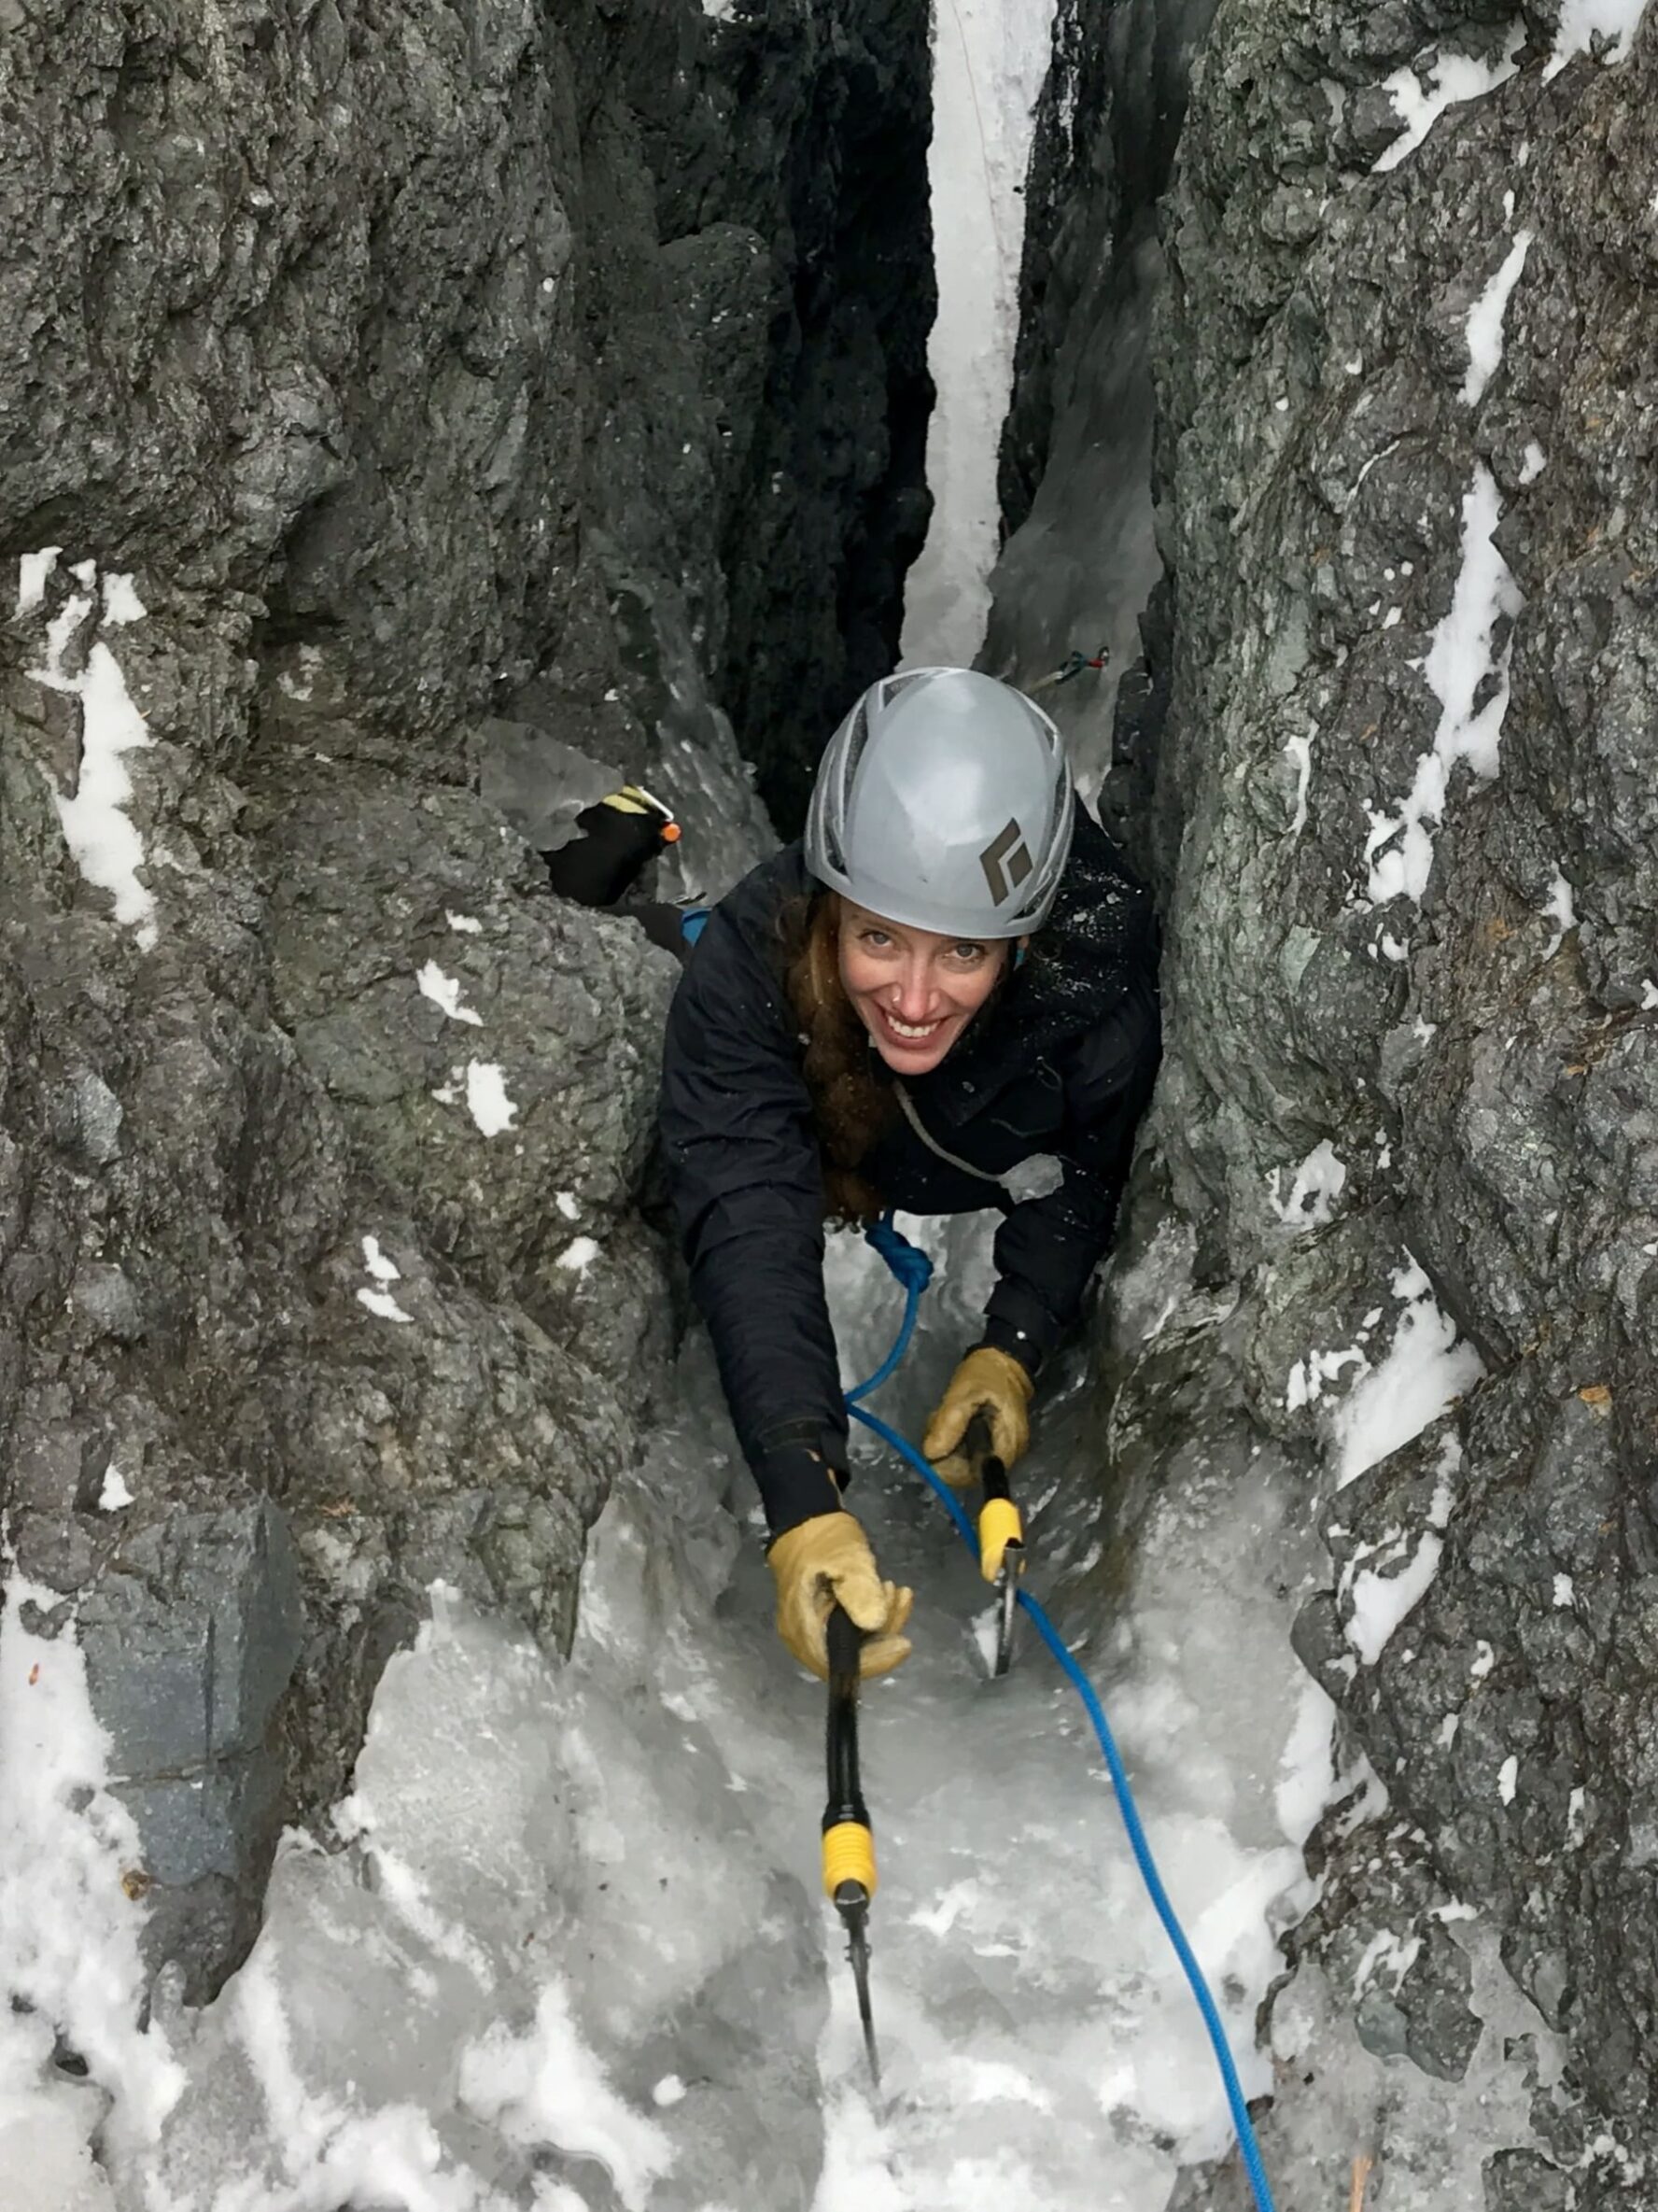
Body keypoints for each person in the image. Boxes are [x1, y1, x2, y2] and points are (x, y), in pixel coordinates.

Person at [656, 667, 1160, 1683]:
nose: (918, 997)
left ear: (1022, 939)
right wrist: (803, 1499)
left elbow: (1079, 1178)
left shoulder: (1093, 1009)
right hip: (823, 1099)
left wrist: (1014, 1343)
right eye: (878, 937)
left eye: (964, 952)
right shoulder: (757, 966)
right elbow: (748, 1209)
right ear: (831, 909)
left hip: (958, 1132)